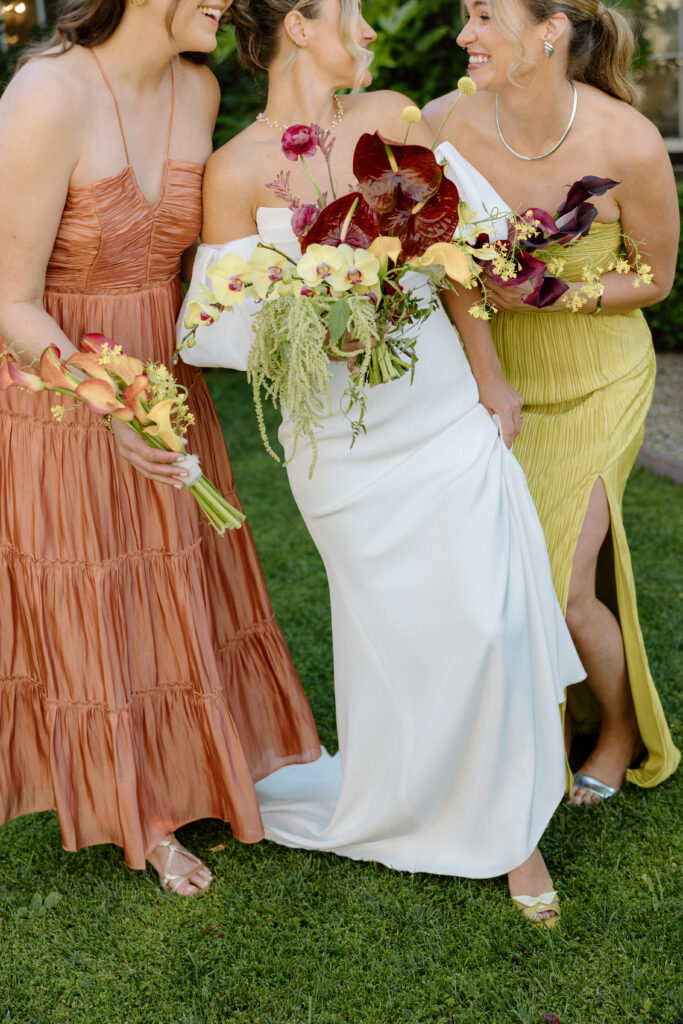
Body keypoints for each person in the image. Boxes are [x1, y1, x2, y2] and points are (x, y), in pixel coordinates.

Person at [177, 0, 586, 927]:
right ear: (296, 25)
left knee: (485, 619)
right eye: (352, 17)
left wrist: (491, 381)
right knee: (399, 634)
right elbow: (223, 329)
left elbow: (455, 263)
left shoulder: (392, 115)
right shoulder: (233, 170)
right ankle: (416, 793)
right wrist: (313, 317)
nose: (369, 36)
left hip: (437, 402)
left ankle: (513, 832)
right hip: (341, 442)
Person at [0, 0, 320, 897]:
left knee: (175, 574)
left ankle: (199, 764)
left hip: (166, 382)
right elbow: (10, 299)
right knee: (91, 582)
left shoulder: (199, 85)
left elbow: (196, 268)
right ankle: (136, 809)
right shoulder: (44, 96)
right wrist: (107, 403)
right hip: (58, 393)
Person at [424, 0, 680, 805]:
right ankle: (524, 720)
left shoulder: (626, 141)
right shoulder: (443, 124)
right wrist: (485, 375)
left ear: (550, 28)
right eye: (465, 16)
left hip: (601, 375)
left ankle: (617, 729)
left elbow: (654, 279)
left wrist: (552, 292)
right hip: (500, 379)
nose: (465, 36)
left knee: (565, 588)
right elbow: (449, 267)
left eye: (484, 17)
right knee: (502, 574)